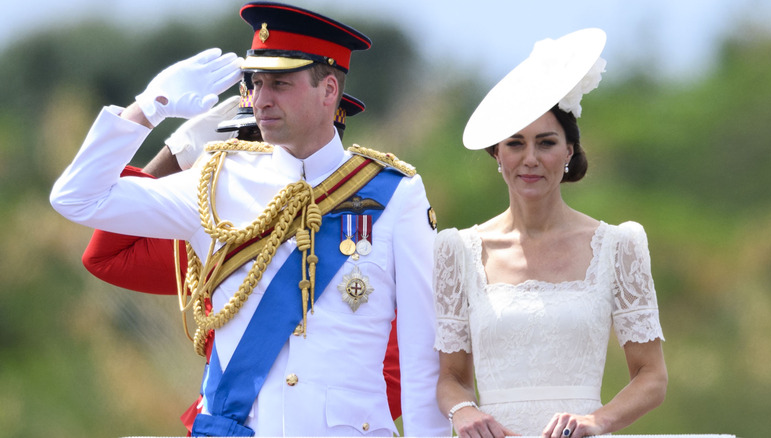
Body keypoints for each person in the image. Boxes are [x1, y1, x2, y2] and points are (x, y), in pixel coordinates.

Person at [50, 1, 448, 436]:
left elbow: (421, 357)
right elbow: (77, 198)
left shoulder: (396, 194)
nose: (260, 99)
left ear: (329, 90)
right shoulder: (215, 180)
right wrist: (151, 106)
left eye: (279, 83)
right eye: (255, 83)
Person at [79, 85, 405, 431]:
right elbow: (107, 256)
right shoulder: (218, 232)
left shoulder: (369, 233)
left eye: (260, 145)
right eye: (238, 142)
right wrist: (176, 158)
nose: (241, 159)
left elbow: (397, 374)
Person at [434, 28, 668, 438]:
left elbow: (651, 376)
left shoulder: (618, 245)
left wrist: (597, 420)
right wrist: (464, 412)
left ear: (569, 151)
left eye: (545, 143)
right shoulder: (458, 250)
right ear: (497, 154)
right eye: (515, 143)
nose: (530, 159)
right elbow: (450, 378)